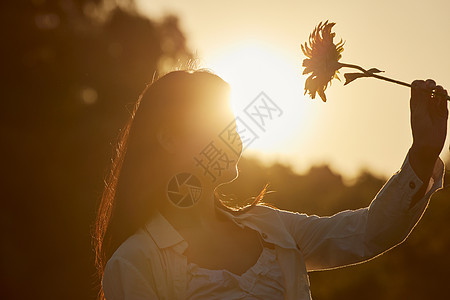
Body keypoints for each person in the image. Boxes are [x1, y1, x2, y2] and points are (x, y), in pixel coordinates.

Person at [92, 69, 447, 300]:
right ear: (168, 137)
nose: (235, 136)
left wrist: (421, 154)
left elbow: (367, 233)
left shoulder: (273, 227)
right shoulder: (135, 262)